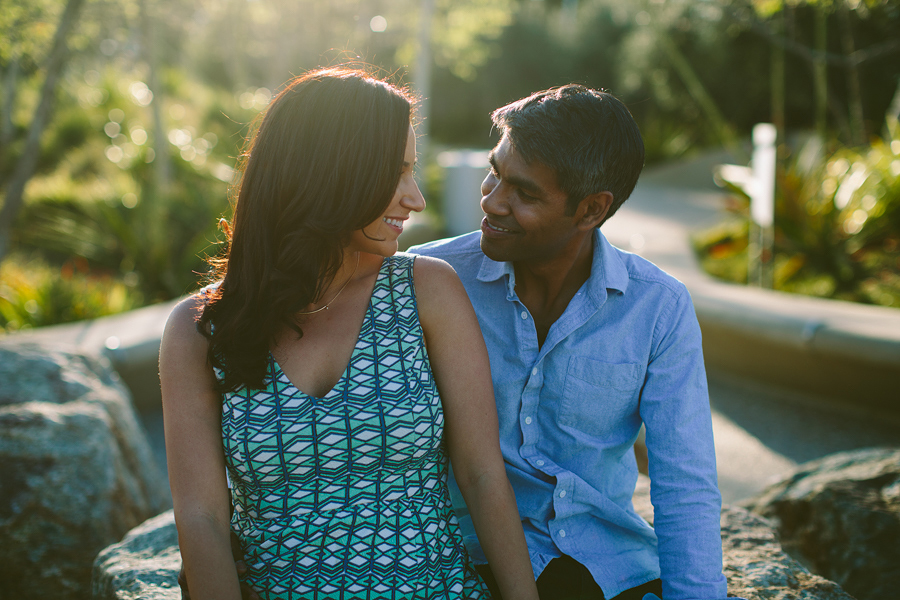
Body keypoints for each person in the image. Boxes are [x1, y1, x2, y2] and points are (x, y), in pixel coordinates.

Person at [160, 67, 539, 600]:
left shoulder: (425, 291)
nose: (416, 199)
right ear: (331, 172)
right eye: (397, 173)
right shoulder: (199, 329)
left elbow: (481, 475)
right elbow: (199, 519)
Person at [409, 85, 735, 600]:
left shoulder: (657, 308)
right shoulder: (430, 281)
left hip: (603, 560)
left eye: (525, 193)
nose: (493, 201)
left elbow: (684, 483)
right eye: (494, 172)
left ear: (591, 210)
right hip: (460, 556)